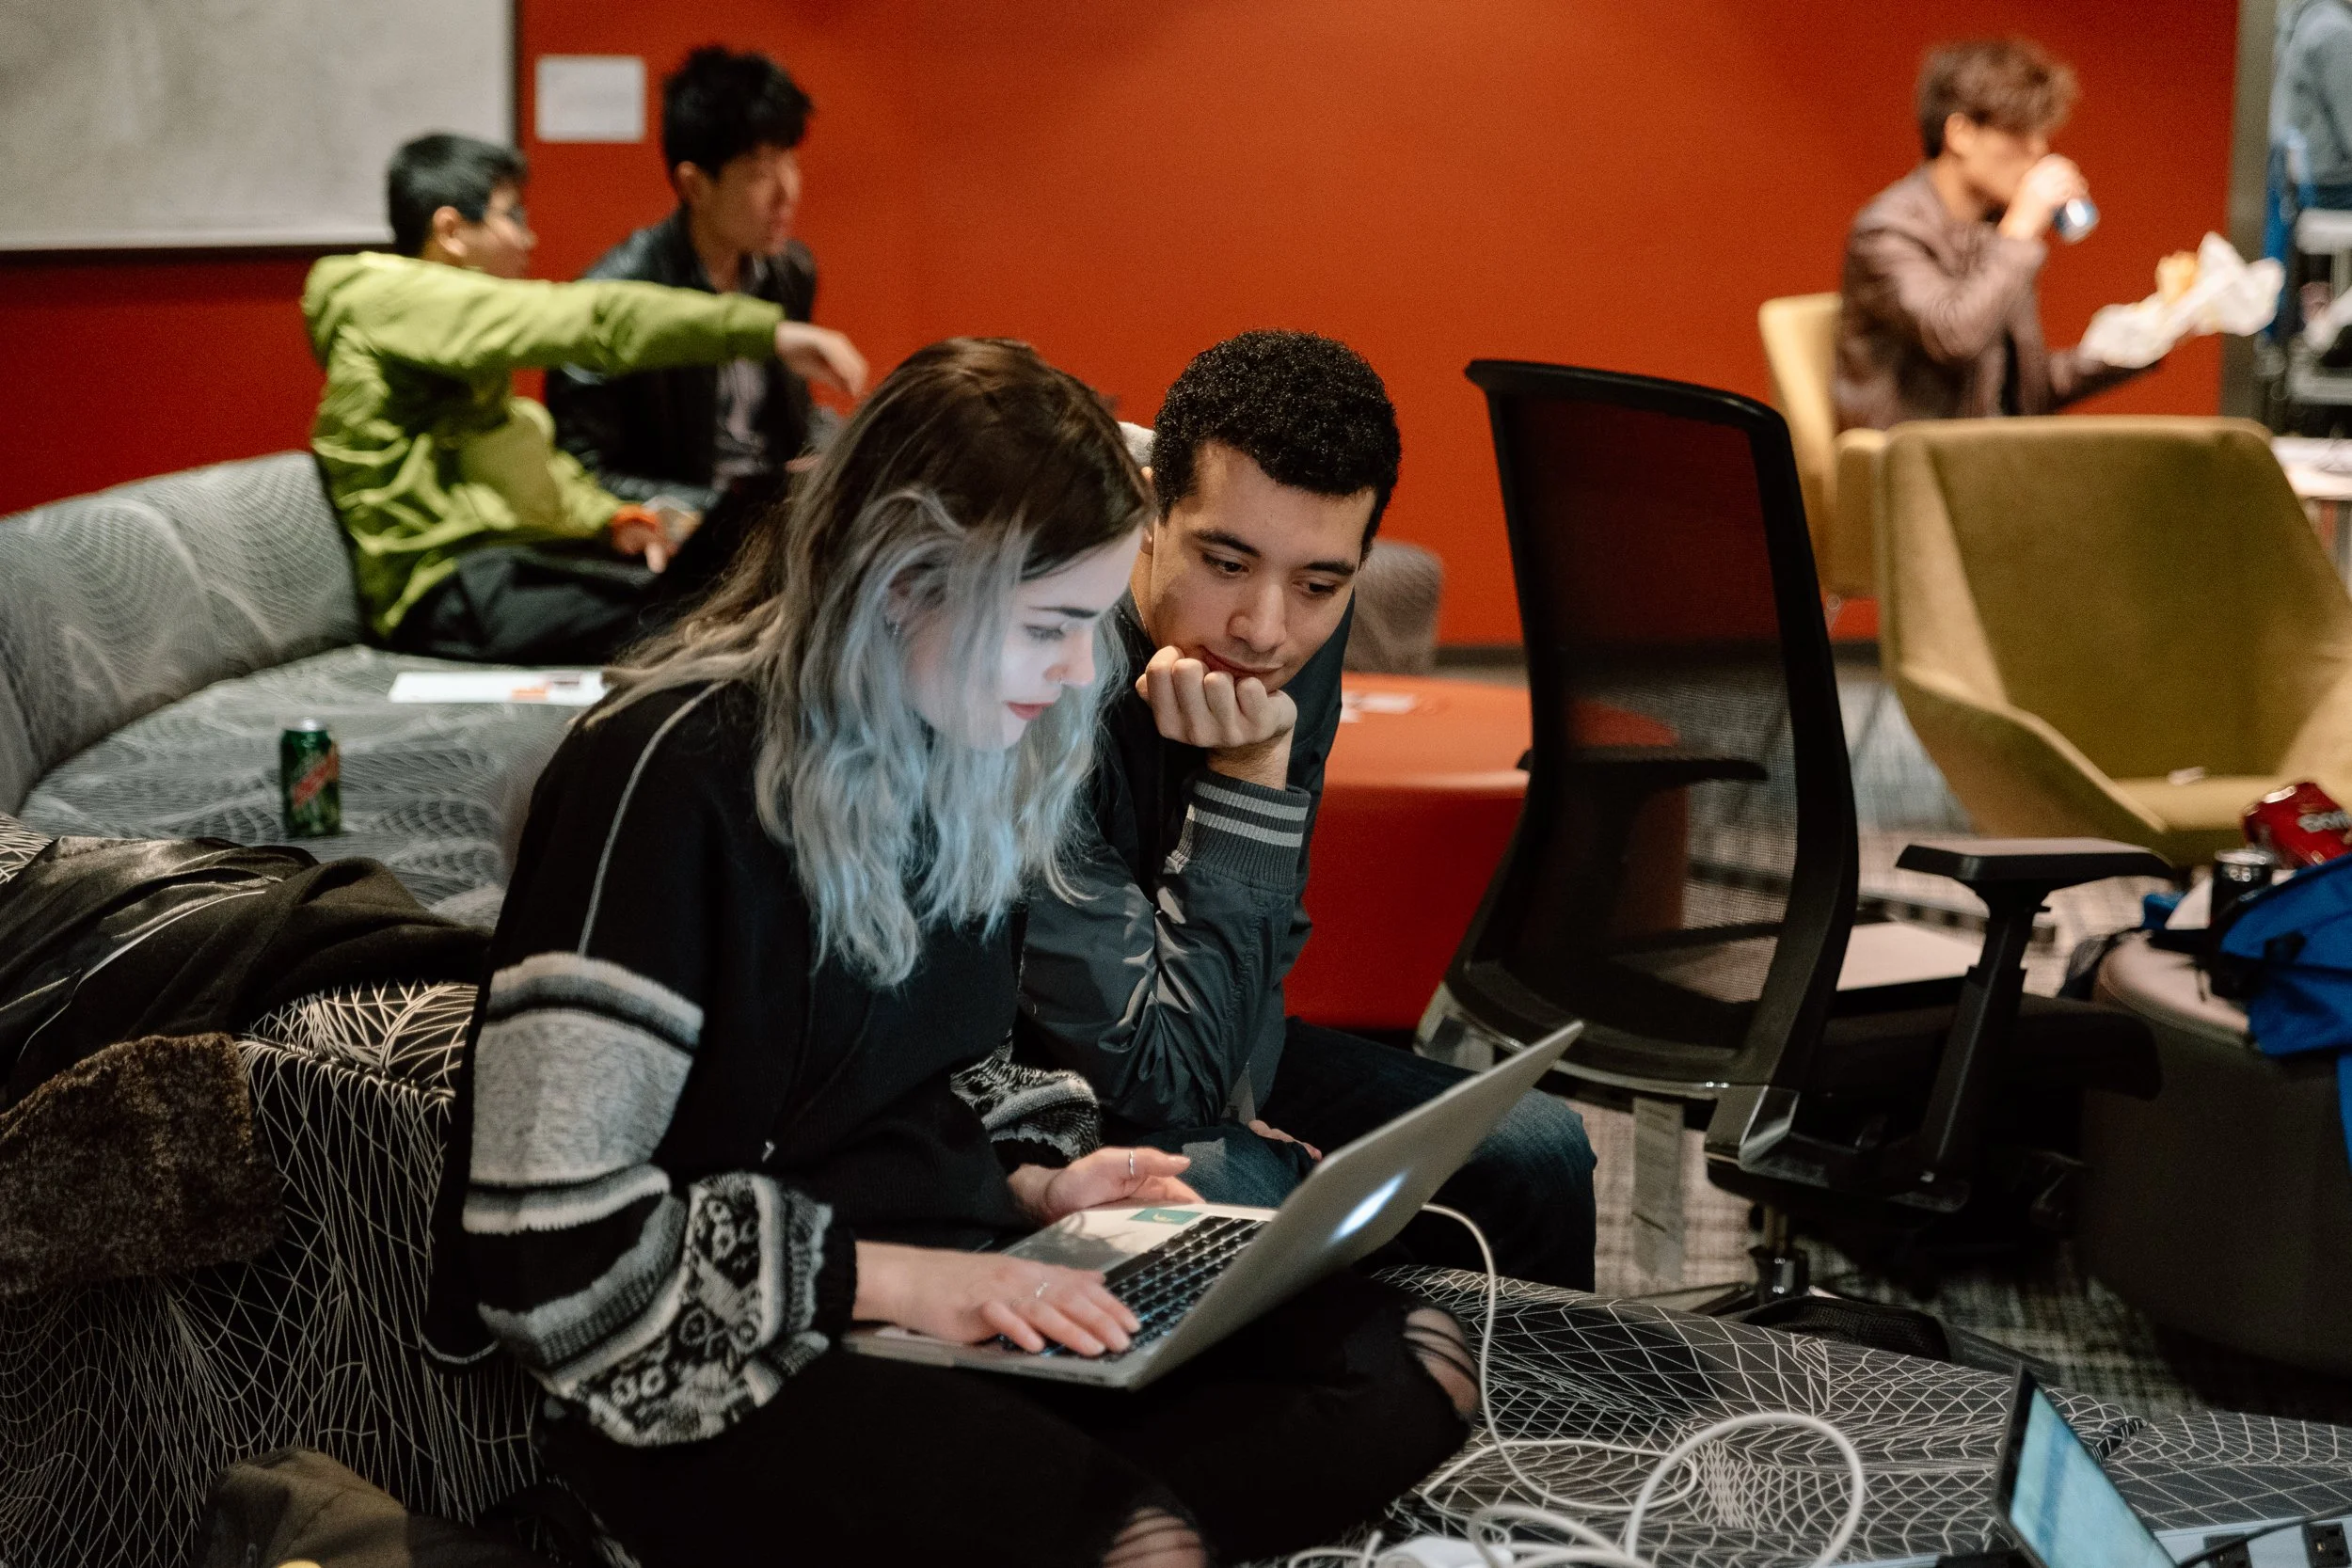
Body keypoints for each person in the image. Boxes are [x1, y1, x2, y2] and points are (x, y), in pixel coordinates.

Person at [423, 339, 1476, 1568]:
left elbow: (940, 1080)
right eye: (1049, 627)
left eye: (1088, 623)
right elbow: (548, 1249)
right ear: (906, 585)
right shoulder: (664, 773)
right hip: (719, 1346)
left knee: (1414, 1362)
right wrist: (914, 1282)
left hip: (940, 1279)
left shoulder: (972, 744)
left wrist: (1041, 1185)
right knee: (1137, 1537)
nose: (1083, 672)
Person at [1015, 330, 1600, 1291]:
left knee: (1533, 1145)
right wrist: (1247, 775)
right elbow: (1154, 1077)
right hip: (1022, 1076)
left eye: (1320, 583)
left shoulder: (1289, 635)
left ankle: (1526, 1439)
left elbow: (1267, 922)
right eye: (1225, 561)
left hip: (1190, 1025)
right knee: (1244, 1181)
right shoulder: (1046, 658)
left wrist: (1237, 1086)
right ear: (1150, 508)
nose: (1265, 627)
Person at [303, 132, 866, 665]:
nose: (529, 238)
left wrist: (612, 518)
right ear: (451, 231)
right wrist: (766, 333)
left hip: (500, 570)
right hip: (443, 594)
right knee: (706, 619)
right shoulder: (390, 301)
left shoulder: (447, 358)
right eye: (512, 216)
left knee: (733, 574)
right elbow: (594, 318)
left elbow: (517, 470)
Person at [548, 47, 844, 515]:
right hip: (682, 544)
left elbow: (784, 422)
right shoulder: (613, 297)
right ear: (693, 186)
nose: (788, 192)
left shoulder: (789, 271)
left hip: (767, 522)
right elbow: (584, 474)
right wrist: (725, 512)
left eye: (791, 162)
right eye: (761, 173)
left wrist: (846, 449)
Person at [1835, 38, 2146, 432]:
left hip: (1992, 456)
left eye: (2040, 133)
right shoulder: (1887, 231)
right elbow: (1953, 336)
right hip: (1916, 462)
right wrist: (2018, 232)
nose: (2039, 149)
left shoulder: (1992, 231)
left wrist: (2142, 341)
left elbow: (2025, 393)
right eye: (2019, 132)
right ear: (1960, 133)